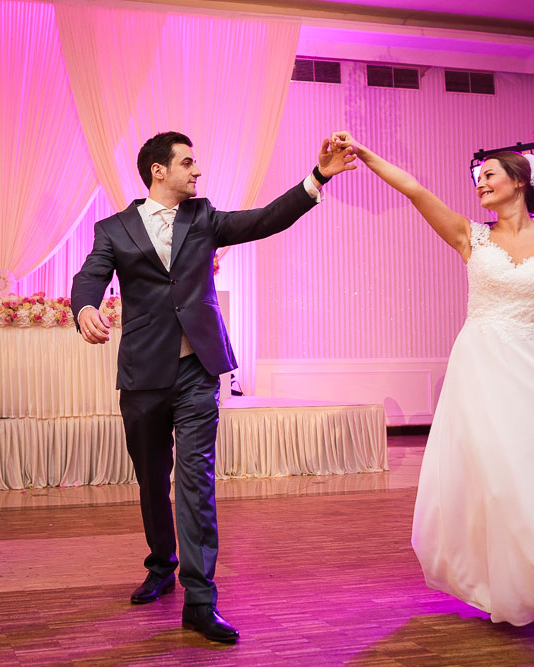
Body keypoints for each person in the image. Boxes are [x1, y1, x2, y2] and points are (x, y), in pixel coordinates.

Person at [340, 133, 534, 652]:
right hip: (479, 373)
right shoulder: (469, 235)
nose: (480, 183)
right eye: (477, 178)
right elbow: (412, 189)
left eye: (490, 175)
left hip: (533, 370)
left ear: (520, 181)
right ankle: (507, 590)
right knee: (496, 487)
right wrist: (364, 153)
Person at [70, 130, 356, 643]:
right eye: (187, 163)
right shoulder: (113, 228)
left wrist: (317, 179)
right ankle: (162, 564)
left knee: (197, 481)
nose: (196, 171)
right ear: (159, 170)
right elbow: (90, 276)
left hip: (197, 370)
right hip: (143, 374)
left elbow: (264, 220)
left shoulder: (203, 218)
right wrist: (86, 307)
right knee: (152, 477)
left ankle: (201, 599)